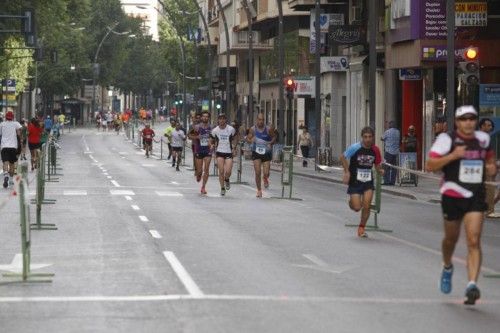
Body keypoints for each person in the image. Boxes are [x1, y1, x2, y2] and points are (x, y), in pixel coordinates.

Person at [426, 105, 496, 306]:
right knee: (451, 239)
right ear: (457, 122)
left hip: (475, 194)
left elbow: (490, 161)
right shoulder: (446, 140)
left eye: (472, 119)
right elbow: (431, 165)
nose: (468, 123)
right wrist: (453, 156)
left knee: (473, 240)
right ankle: (447, 266)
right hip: (452, 194)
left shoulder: (483, 139)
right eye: (464, 119)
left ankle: (472, 285)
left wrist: (491, 167)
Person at [340, 126, 383, 238]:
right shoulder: (355, 147)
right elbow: (342, 157)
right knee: (357, 207)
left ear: (373, 138)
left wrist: (380, 170)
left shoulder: (375, 150)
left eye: (370, 137)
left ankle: (361, 228)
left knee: (367, 206)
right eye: (365, 137)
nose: (368, 139)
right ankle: (352, 203)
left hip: (368, 181)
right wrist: (347, 172)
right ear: (362, 138)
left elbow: (377, 165)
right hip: (355, 181)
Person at [246, 113, 276, 197]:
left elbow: (274, 137)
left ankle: (265, 178)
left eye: (262, 120)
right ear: (257, 120)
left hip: (266, 152)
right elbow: (248, 138)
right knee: (258, 172)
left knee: (266, 172)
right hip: (256, 152)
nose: (261, 121)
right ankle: (259, 190)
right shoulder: (253, 129)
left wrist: (270, 143)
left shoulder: (268, 129)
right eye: (259, 119)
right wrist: (251, 140)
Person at [211, 114, 237, 196]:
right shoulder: (215, 130)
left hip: (228, 152)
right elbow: (211, 139)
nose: (222, 120)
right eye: (220, 119)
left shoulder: (231, 129)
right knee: (221, 171)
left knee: (228, 171)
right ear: (218, 120)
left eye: (223, 119)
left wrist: (234, 147)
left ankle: (227, 179)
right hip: (219, 152)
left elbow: (236, 138)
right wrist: (211, 145)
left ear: (226, 120)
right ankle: (222, 188)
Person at [189, 111, 212, 194]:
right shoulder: (197, 127)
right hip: (199, 150)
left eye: (207, 116)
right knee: (199, 171)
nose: (205, 118)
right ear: (201, 118)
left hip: (208, 151)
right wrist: (196, 137)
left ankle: (203, 187)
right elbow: (189, 136)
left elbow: (215, 138)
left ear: (209, 118)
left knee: (206, 169)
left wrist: (213, 143)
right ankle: (198, 175)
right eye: (204, 116)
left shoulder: (212, 128)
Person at [0, 111, 22, 188]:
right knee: (12, 164)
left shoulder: (2, 124)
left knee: (5, 162)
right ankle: (11, 180)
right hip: (13, 147)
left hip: (4, 147)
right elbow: (19, 133)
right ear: (12, 117)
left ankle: (5, 174)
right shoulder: (15, 123)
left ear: (6, 117)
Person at [381, 121, 400, 185]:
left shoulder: (387, 131)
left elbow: (382, 138)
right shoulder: (398, 132)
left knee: (386, 166)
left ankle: (386, 181)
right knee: (394, 167)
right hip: (395, 152)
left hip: (388, 152)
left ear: (390, 125)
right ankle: (392, 181)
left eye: (389, 124)